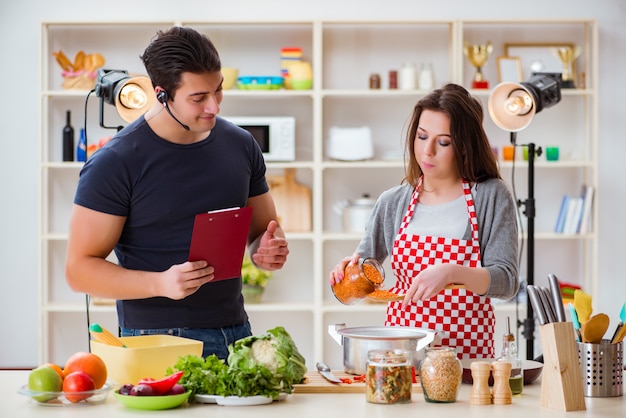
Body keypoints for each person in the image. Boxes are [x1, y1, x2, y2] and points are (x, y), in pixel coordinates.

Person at [65, 26, 289, 361]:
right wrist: (160, 284)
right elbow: (79, 270)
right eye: (198, 98)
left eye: (218, 91)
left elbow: (261, 232)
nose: (213, 107)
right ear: (160, 94)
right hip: (154, 340)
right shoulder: (116, 161)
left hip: (237, 331)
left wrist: (266, 250)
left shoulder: (242, 145)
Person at [329, 83, 519, 359]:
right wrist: (346, 272)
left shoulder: (490, 196)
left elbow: (507, 281)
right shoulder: (393, 201)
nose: (427, 151)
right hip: (401, 356)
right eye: (421, 136)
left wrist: (453, 273)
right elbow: (363, 272)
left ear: (465, 146)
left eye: (443, 142)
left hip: (465, 360)